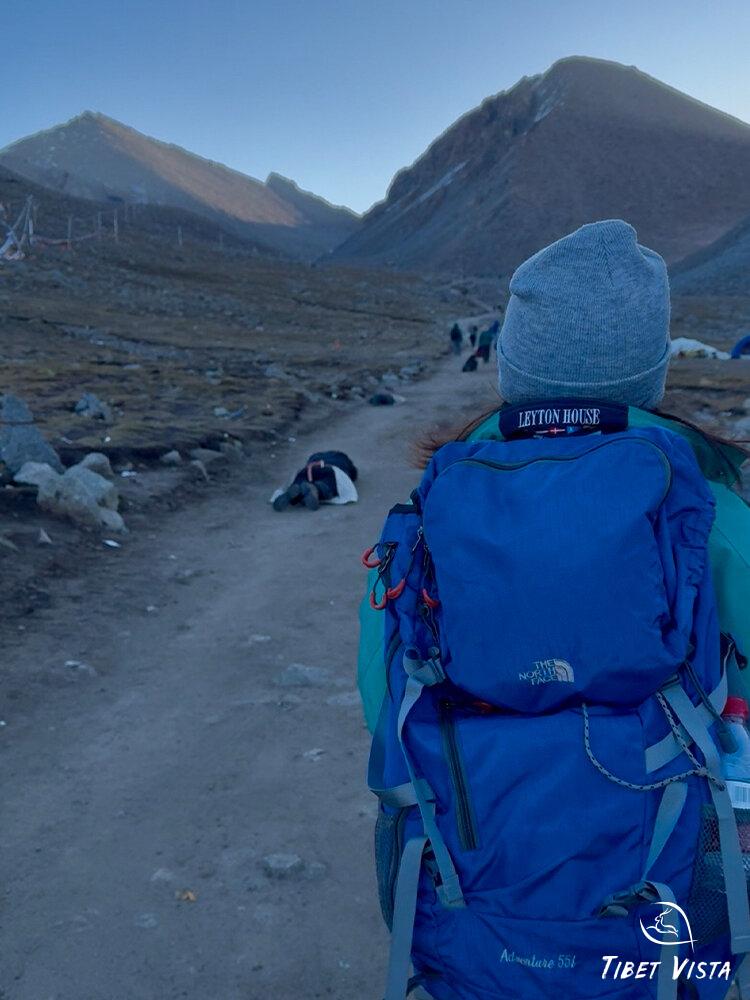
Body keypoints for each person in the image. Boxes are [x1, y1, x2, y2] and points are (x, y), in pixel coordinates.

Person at [357, 220, 750, 1000]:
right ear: (648, 372)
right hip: (665, 882)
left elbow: (383, 700)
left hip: (474, 888)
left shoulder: (430, 510)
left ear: (515, 363)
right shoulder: (718, 511)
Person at [271, 449, 357, 511]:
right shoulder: (343, 459)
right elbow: (353, 474)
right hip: (330, 469)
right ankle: (317, 488)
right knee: (329, 483)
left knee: (302, 480)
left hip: (309, 469)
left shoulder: (315, 457)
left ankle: (295, 492)